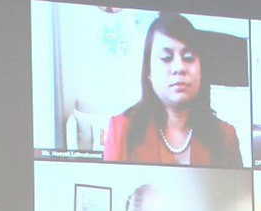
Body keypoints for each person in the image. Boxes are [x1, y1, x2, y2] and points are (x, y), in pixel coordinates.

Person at [103, 12, 243, 167]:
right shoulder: (121, 130)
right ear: (149, 71)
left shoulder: (226, 137)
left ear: (201, 70)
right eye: (166, 58)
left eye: (188, 57)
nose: (179, 68)